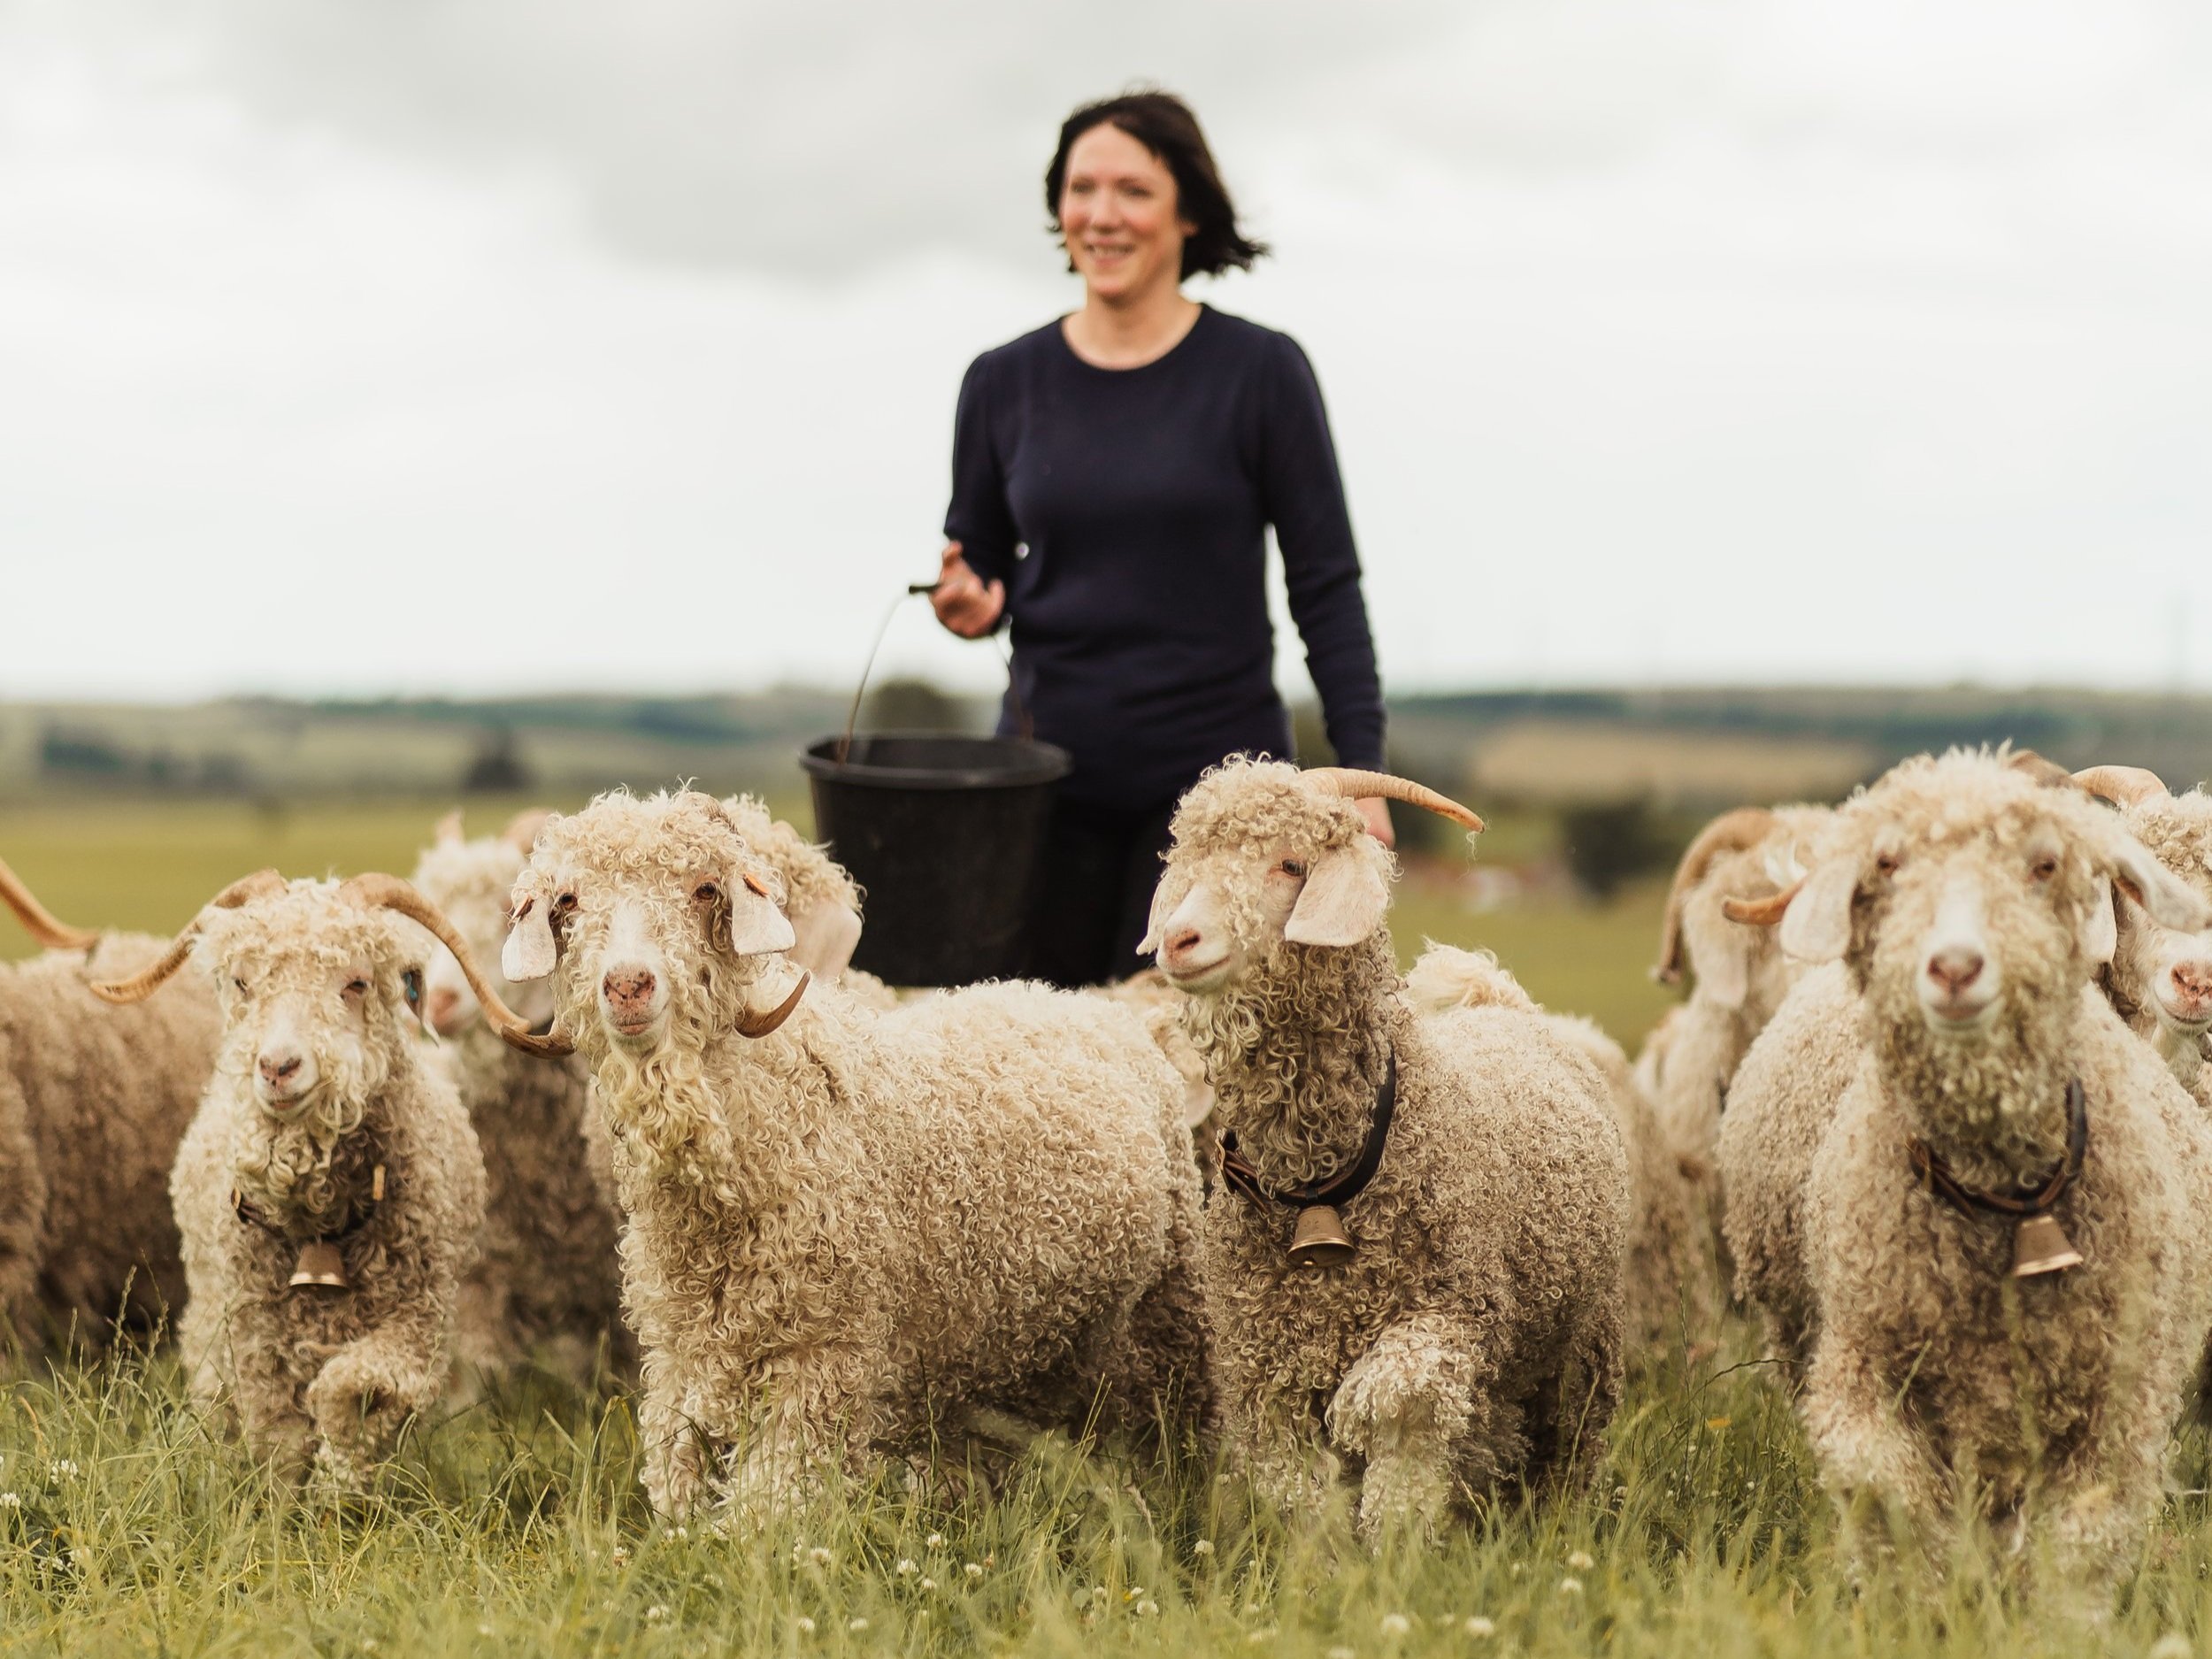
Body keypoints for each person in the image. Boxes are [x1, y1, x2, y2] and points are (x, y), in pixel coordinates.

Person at [935, 89, 1389, 987]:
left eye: (1132, 191)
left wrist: (1362, 775)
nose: (1101, 215)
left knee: (1191, 1073)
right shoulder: (1000, 381)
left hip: (1214, 802)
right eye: (1081, 189)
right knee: (1043, 1071)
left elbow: (1325, 589)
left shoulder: (1261, 373)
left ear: (1187, 210)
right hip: (1043, 791)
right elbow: (978, 556)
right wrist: (970, 597)